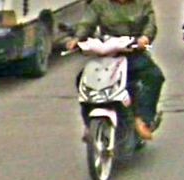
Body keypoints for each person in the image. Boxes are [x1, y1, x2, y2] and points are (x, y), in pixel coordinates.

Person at [66, 0, 165, 141]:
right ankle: (89, 123)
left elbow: (150, 25)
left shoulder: (142, 3)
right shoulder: (99, 4)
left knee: (154, 76)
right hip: (108, 53)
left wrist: (144, 38)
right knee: (83, 80)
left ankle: (143, 119)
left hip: (133, 52)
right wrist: (77, 39)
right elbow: (87, 24)